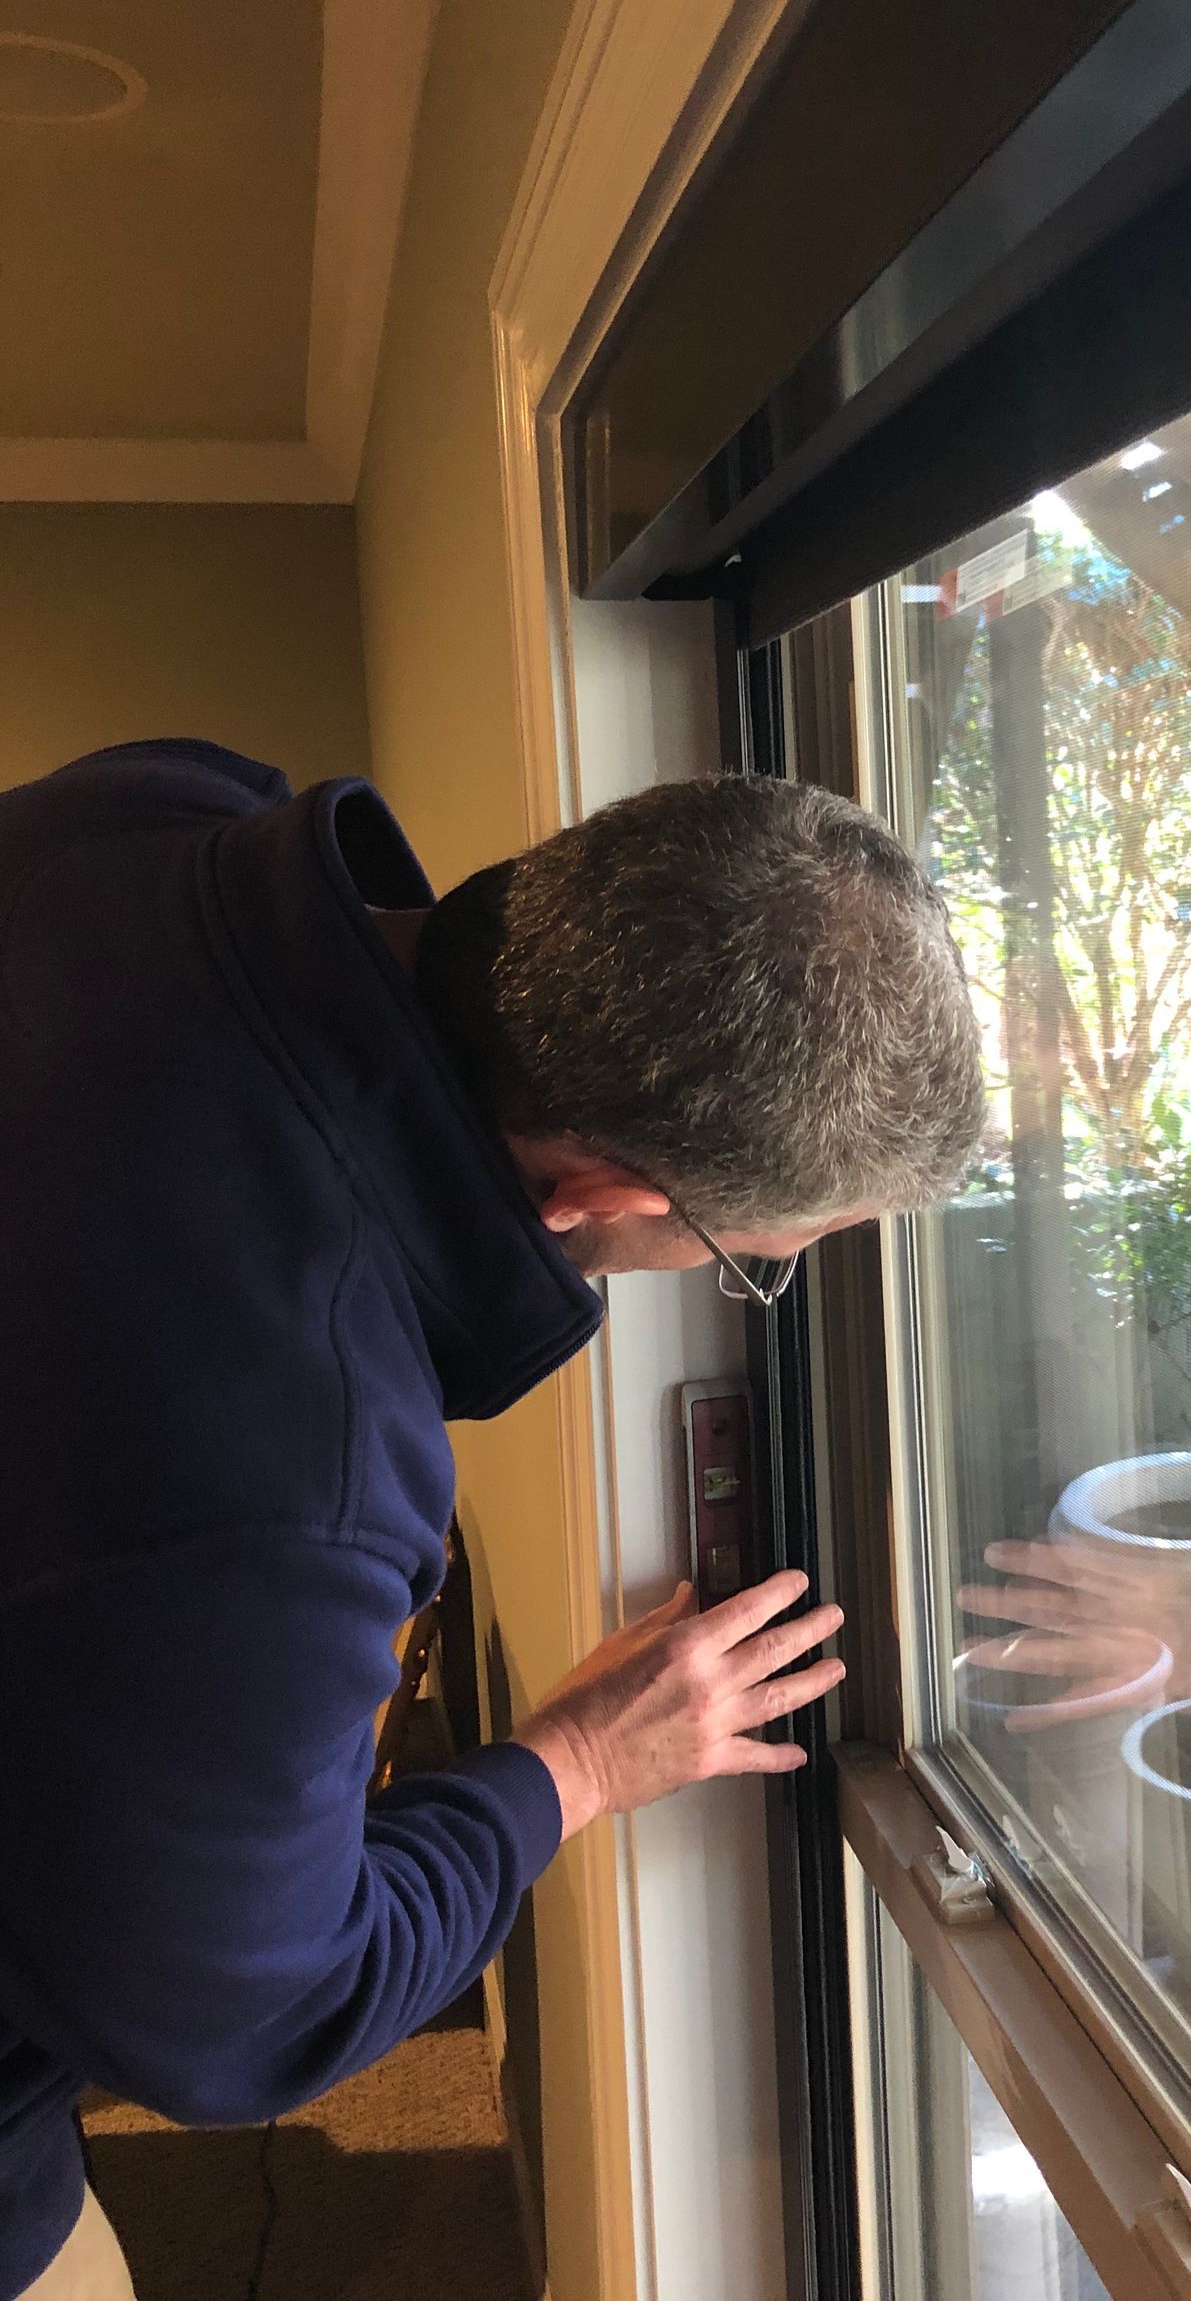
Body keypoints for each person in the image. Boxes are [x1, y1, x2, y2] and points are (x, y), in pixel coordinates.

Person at [0, 738, 985, 2300]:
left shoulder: (159, 816)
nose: (748, 1283)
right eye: (757, 1260)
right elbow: (240, 2019)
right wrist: (575, 1763)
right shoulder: (297, 1468)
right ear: (596, 1189)